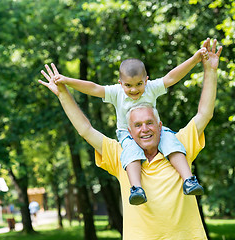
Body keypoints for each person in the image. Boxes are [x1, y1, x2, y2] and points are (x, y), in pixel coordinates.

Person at [38, 39, 222, 239]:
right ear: (129, 131)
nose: (144, 129)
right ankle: (137, 189)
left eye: (149, 123)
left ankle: (190, 181)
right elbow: (85, 129)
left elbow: (204, 113)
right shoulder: (122, 155)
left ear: (160, 125)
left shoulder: (179, 146)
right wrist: (64, 91)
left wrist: (209, 70)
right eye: (137, 125)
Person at [49, 45, 210, 205]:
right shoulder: (116, 92)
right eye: (128, 85)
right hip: (127, 134)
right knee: (131, 153)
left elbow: (172, 77)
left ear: (146, 81)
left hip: (156, 131)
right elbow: (93, 87)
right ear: (120, 83)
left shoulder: (151, 88)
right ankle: (136, 189)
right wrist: (67, 81)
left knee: (172, 143)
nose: (134, 90)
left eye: (139, 84)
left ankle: (189, 180)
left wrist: (195, 59)